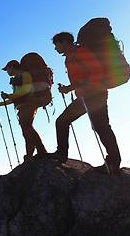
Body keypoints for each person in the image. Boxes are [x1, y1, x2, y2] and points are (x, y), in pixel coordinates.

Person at [50, 32, 121, 174]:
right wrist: (69, 88)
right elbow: (82, 77)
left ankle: (113, 162)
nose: (55, 48)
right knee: (63, 121)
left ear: (64, 42)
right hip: (85, 96)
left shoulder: (81, 52)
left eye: (56, 44)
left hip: (95, 94)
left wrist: (74, 87)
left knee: (101, 126)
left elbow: (97, 72)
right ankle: (61, 155)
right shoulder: (70, 57)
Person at [0, 59, 47, 161]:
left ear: (12, 67)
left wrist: (8, 96)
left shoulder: (25, 75)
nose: (7, 71)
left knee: (27, 128)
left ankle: (41, 151)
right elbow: (16, 98)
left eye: (7, 69)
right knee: (26, 130)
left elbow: (25, 91)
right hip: (23, 107)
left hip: (29, 105)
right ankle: (30, 155)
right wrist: (0, 104)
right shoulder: (17, 79)